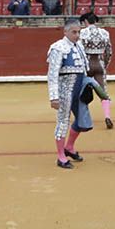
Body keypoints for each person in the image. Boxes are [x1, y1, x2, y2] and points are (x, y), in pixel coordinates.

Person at [46, 18, 93, 169]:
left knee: (82, 120)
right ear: (65, 32)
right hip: (65, 91)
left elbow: (84, 69)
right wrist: (54, 97)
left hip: (79, 90)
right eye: (74, 32)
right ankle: (61, 156)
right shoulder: (58, 48)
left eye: (79, 32)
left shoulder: (79, 45)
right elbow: (52, 75)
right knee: (63, 121)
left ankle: (69, 148)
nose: (77, 35)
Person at [79, 12, 114, 129]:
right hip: (99, 63)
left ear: (86, 22)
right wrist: (105, 65)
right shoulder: (104, 33)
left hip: (86, 65)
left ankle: (81, 118)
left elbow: (79, 50)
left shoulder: (83, 33)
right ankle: (107, 116)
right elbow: (109, 51)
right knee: (104, 93)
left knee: (81, 91)